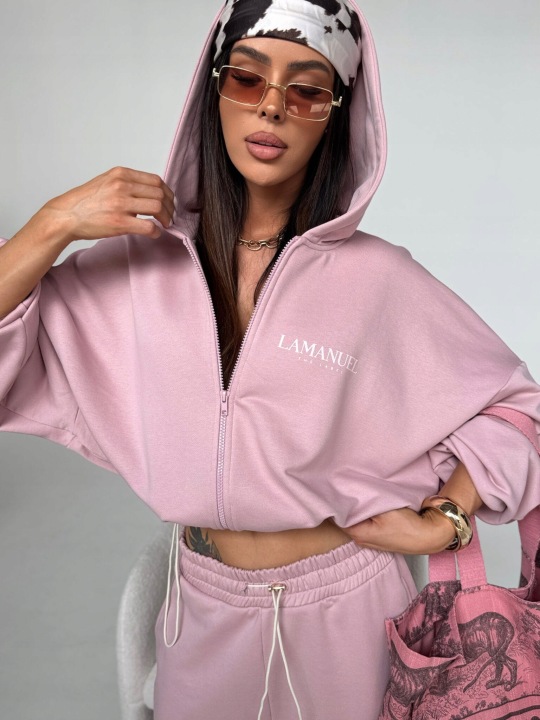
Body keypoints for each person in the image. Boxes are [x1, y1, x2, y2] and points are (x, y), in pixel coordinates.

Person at [1, 1, 539, 718]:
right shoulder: (133, 270)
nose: (273, 107)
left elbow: (517, 406)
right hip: (202, 607)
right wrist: (53, 223)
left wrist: (445, 518)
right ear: (214, 91)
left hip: (348, 610)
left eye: (307, 89)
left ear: (335, 118)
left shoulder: (379, 279)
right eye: (247, 78)